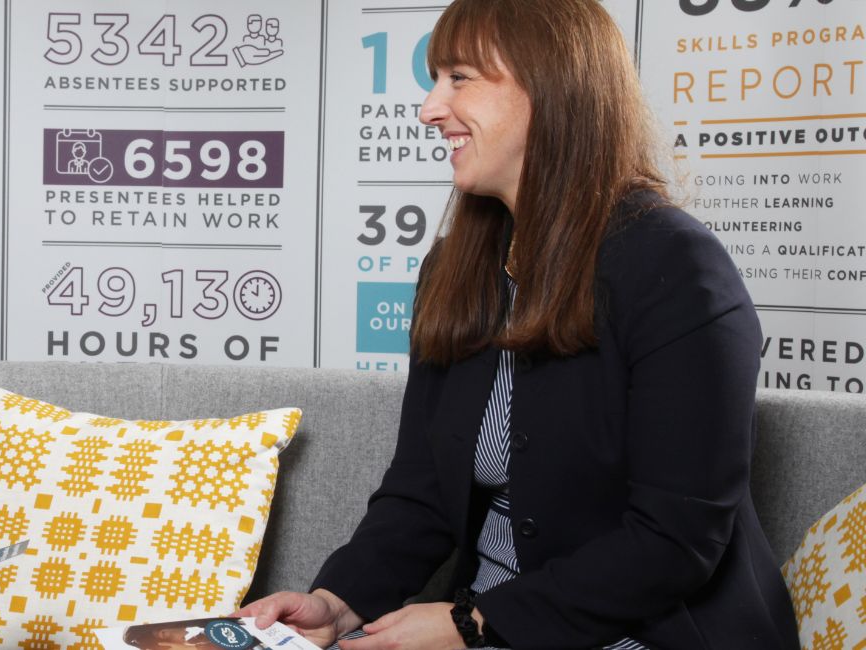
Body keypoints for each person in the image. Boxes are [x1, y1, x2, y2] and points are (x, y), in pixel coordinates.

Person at [236, 1, 799, 649]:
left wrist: (473, 625)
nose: (428, 109)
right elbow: (420, 492)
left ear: (551, 87)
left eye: (459, 78)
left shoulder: (675, 265)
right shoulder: (456, 268)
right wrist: (336, 604)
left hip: (650, 632)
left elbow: (674, 542)